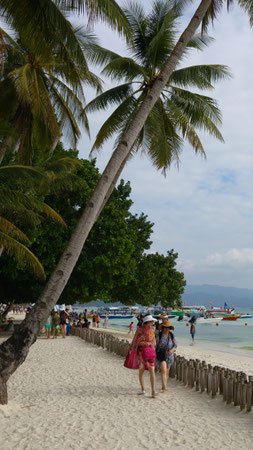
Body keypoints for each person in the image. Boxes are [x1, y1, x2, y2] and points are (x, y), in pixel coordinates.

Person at [130, 314, 158, 398]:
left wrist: (148, 343)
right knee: (142, 371)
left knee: (151, 370)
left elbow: (154, 342)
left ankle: (153, 391)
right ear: (147, 322)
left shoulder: (151, 331)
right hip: (142, 353)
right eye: (151, 322)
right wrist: (144, 343)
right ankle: (143, 389)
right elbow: (135, 341)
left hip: (147, 353)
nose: (152, 323)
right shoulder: (141, 330)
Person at [156, 320, 177, 392]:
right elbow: (155, 345)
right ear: (163, 328)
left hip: (169, 356)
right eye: (165, 327)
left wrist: (172, 350)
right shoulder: (159, 335)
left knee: (167, 372)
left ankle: (163, 386)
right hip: (161, 355)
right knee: (164, 370)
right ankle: (164, 387)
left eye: (168, 327)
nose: (167, 329)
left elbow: (175, 345)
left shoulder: (172, 335)